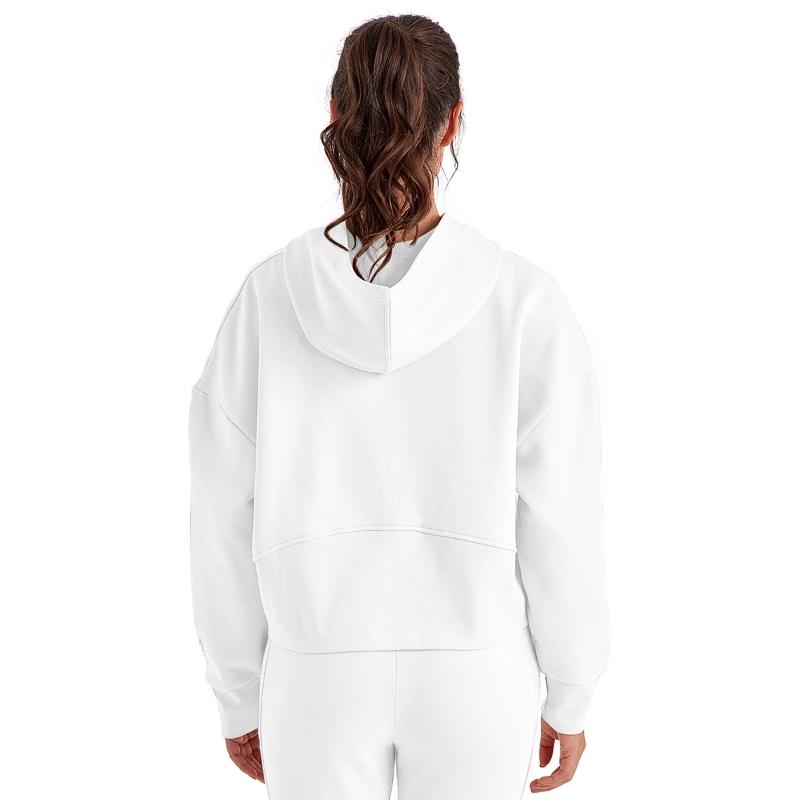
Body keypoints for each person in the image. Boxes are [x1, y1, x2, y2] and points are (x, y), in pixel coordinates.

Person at [188, 13, 610, 798]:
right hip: (478, 673)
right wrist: (572, 688)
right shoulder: (524, 302)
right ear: (453, 123)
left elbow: (220, 512)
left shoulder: (268, 299)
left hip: (313, 676)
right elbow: (563, 518)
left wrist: (238, 692)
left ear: (336, 114)